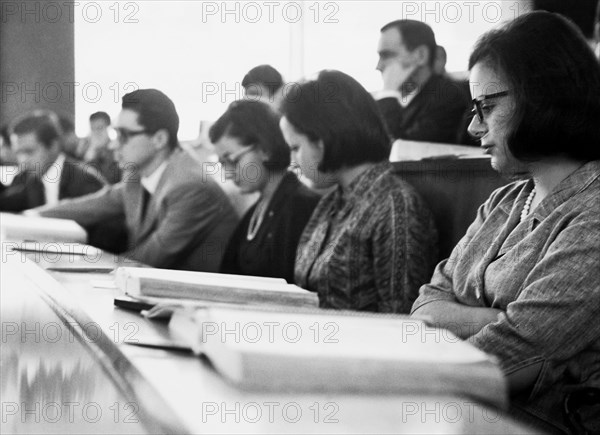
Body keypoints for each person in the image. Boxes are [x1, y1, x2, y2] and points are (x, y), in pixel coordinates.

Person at [410, 12, 600, 433]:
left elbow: (508, 359)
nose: (475, 126)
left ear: (544, 96)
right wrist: (499, 319)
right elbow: (424, 305)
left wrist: (469, 319)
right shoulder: (505, 200)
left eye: (487, 107)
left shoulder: (595, 209)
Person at [281, 70, 437, 313]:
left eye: (295, 147)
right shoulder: (333, 201)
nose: (292, 161)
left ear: (322, 140)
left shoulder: (395, 205)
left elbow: (400, 318)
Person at [35, 89, 238, 271]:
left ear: (159, 139)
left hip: (196, 304)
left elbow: (149, 259)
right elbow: (91, 206)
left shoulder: (190, 186)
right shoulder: (137, 175)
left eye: (124, 135)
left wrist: (76, 268)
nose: (114, 145)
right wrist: (32, 216)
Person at [210, 100, 320, 282]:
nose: (227, 174)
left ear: (264, 149)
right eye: (222, 164)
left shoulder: (300, 207)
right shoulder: (257, 210)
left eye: (232, 161)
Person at [374, 19, 471, 144]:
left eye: (386, 55)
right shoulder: (402, 98)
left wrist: (388, 93)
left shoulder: (447, 96)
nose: (378, 66)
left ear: (420, 55)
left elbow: (396, 150)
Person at [0, 111, 105, 212]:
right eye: (18, 153)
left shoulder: (85, 179)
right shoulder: (28, 179)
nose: (22, 160)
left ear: (53, 146)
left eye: (29, 152)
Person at [76, 111, 122, 184]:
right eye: (93, 129)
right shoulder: (85, 151)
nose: (96, 132)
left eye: (100, 128)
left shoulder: (117, 150)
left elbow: (110, 181)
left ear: (109, 127)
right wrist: (89, 157)